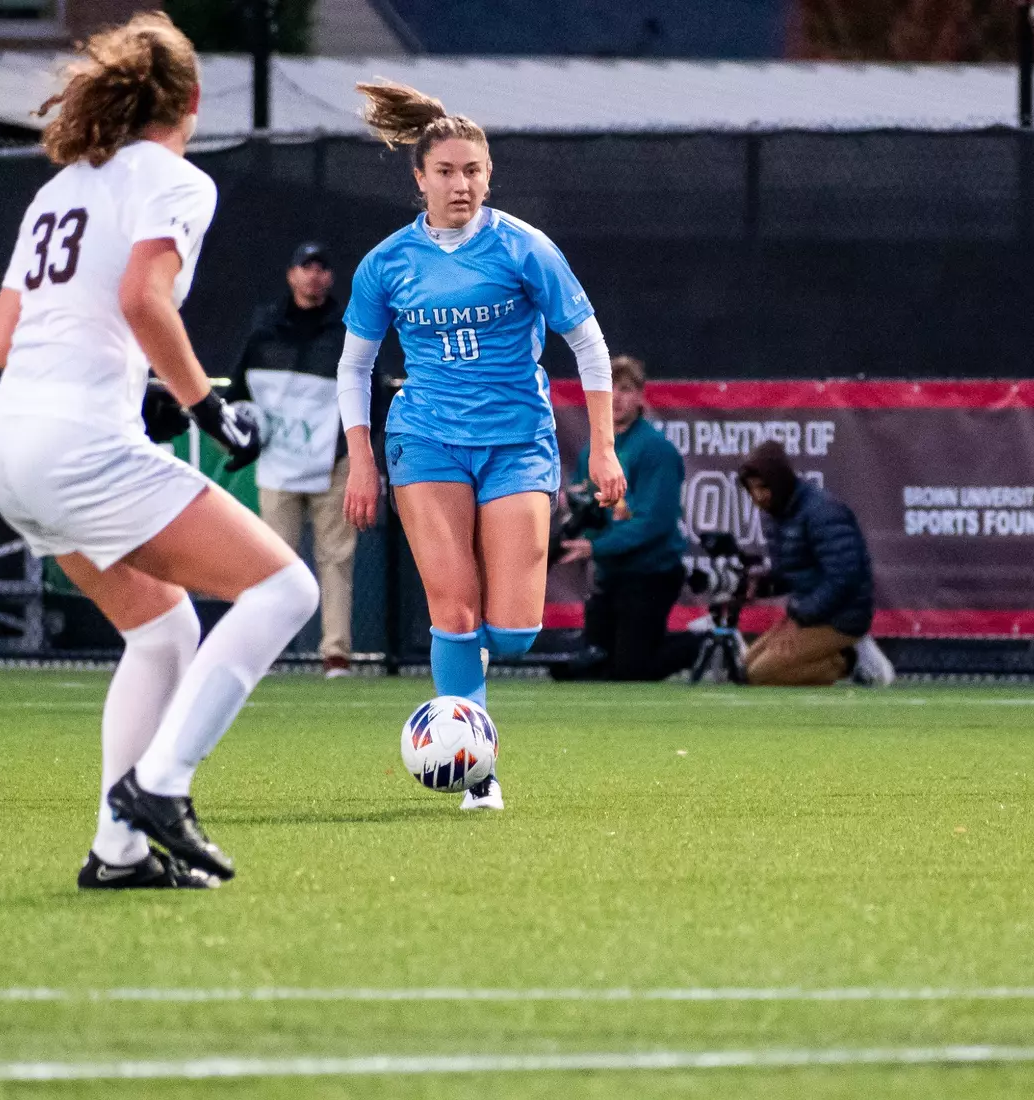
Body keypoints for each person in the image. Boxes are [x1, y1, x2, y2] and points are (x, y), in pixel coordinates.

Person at [0, 13, 319, 890]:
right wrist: (205, 403)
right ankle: (161, 787)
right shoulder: (176, 178)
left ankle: (119, 852)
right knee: (286, 587)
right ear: (192, 101)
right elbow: (142, 298)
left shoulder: (58, 190)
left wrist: (147, 391)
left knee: (163, 630)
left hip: (9, 446)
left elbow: (2, 340)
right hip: (77, 447)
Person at [337, 79, 626, 811]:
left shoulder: (525, 248)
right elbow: (355, 366)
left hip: (517, 443)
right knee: (453, 610)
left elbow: (589, 349)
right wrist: (363, 459)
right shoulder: (387, 263)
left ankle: (475, 681)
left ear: (488, 176)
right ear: (419, 179)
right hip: (425, 440)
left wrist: (601, 449)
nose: (460, 184)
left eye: (473, 171)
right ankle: (477, 774)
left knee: (517, 633)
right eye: (445, 171)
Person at [223, 242, 360, 679]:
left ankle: (335, 655)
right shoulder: (265, 331)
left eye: (322, 267)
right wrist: (239, 432)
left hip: (333, 461)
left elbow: (367, 391)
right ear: (291, 275)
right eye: (306, 266)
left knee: (336, 559)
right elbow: (239, 392)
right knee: (272, 561)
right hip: (279, 463)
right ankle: (264, 651)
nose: (314, 275)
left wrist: (360, 454)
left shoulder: (346, 331)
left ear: (330, 278)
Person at [554, 355, 691, 681]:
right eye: (608, 388)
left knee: (631, 670)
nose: (616, 397)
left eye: (626, 389)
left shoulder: (656, 450)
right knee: (591, 666)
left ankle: (698, 642)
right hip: (610, 575)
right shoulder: (593, 450)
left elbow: (653, 523)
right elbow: (590, 509)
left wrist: (594, 548)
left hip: (650, 573)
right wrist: (571, 511)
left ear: (641, 395)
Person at [737, 440, 894, 687]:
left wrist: (801, 616)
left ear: (779, 481)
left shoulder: (822, 511)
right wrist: (761, 583)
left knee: (760, 675)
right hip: (808, 611)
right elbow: (791, 572)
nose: (758, 496)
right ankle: (833, 655)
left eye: (764, 487)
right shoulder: (775, 514)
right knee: (744, 669)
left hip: (842, 615)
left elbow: (845, 577)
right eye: (752, 489)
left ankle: (850, 660)